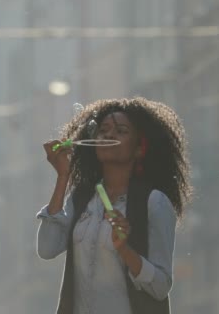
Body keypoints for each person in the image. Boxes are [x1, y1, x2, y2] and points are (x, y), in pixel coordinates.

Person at [37, 97, 192, 314]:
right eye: (103, 129)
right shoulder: (81, 197)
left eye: (121, 131)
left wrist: (125, 250)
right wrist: (63, 176)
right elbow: (47, 249)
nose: (109, 135)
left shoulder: (154, 202)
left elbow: (160, 286)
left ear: (139, 149)